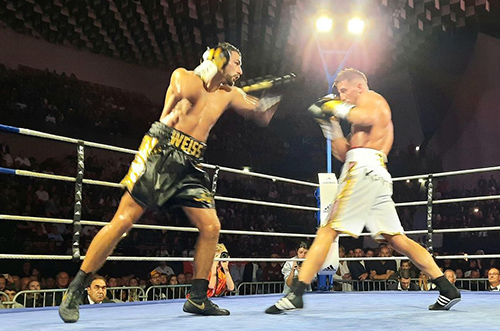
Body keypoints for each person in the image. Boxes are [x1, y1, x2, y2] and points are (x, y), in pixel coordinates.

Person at [59, 42, 281, 322]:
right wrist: (211, 67)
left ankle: (198, 298)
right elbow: (187, 91)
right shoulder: (183, 76)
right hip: (161, 150)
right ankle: (75, 290)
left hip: (191, 163)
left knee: (211, 226)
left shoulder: (230, 94)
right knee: (123, 221)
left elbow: (257, 111)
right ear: (219, 60)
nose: (241, 69)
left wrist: (269, 103)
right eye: (236, 63)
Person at [265, 68, 460, 314]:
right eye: (338, 92)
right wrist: (329, 123)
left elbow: (365, 116)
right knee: (397, 238)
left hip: (362, 171)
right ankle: (446, 287)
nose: (341, 94)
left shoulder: (372, 99)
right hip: (373, 173)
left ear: (359, 86)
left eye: (343, 90)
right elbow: (342, 152)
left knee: (327, 230)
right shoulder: (358, 120)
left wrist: (334, 107)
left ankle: (297, 292)